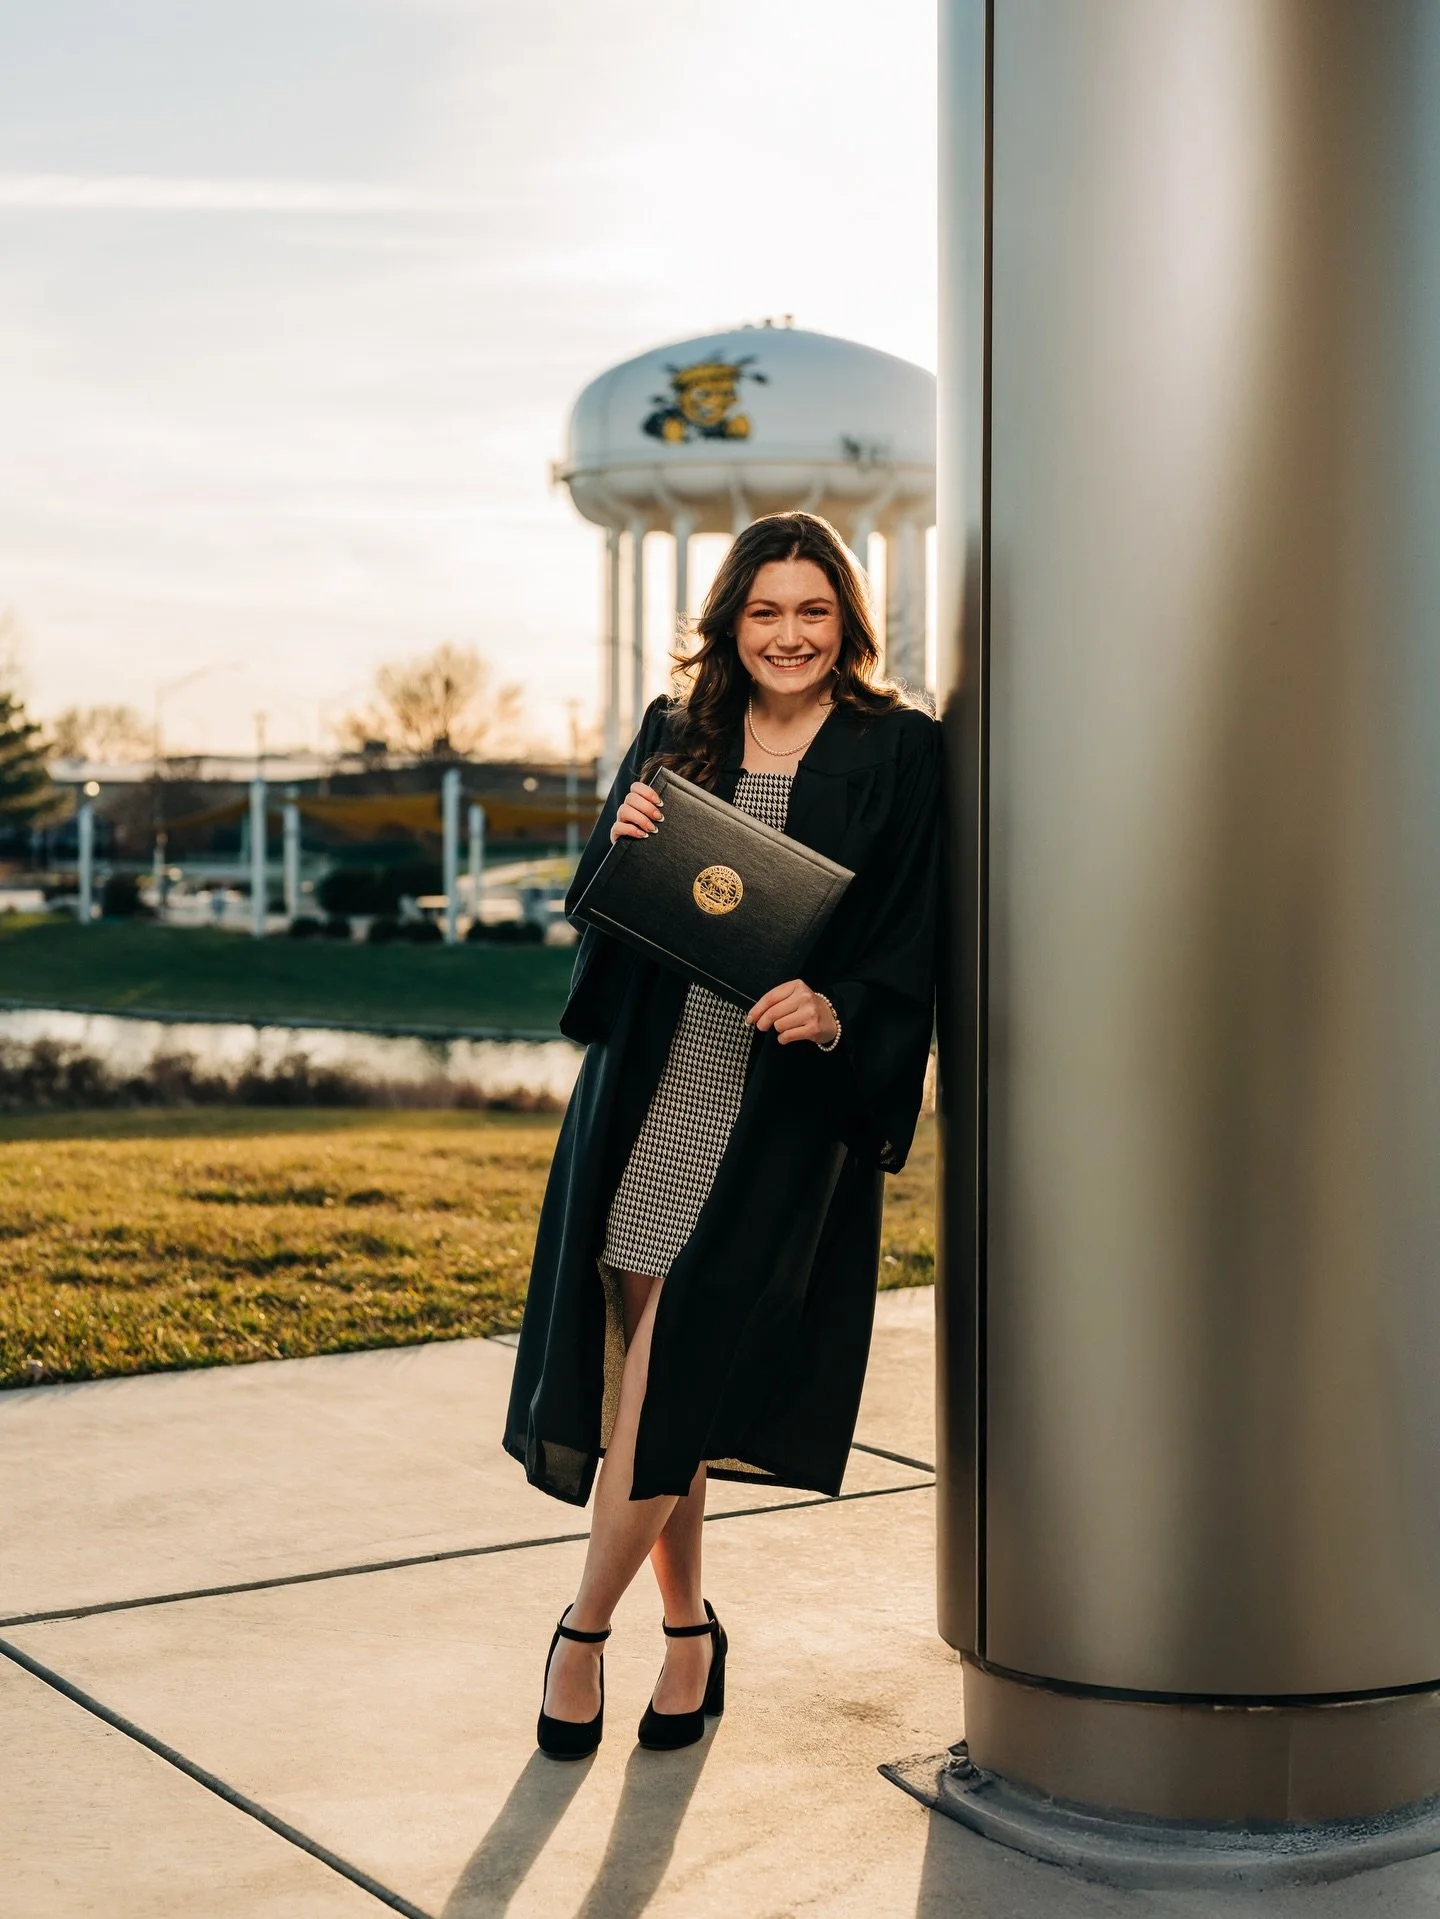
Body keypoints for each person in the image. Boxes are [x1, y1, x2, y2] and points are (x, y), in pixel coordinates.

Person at [503, 510, 942, 1760]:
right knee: (660, 1368)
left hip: (779, 1101)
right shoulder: (675, 729)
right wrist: (618, 843)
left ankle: (583, 1628)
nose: (789, 635)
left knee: (677, 1359)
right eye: (765, 611)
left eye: (813, 611)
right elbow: (601, 907)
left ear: (846, 622)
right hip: (658, 1080)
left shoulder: (899, 748)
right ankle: (691, 1629)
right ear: (730, 622)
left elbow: (914, 925)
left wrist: (839, 1009)